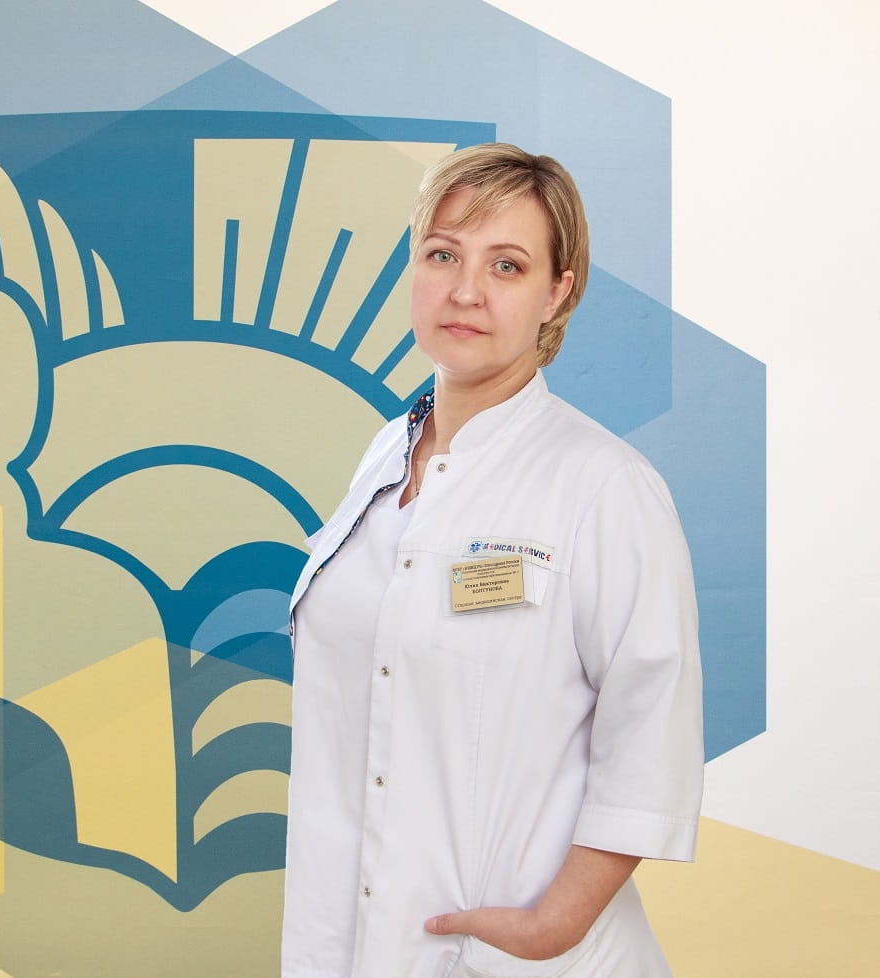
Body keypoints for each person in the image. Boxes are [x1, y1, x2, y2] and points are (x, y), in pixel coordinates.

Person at [281, 142, 703, 978]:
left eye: (506, 265)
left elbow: (651, 732)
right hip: (348, 941)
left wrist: (554, 924)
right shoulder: (386, 456)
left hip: (513, 956)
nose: (466, 291)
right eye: (444, 255)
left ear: (558, 291)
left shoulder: (604, 486)